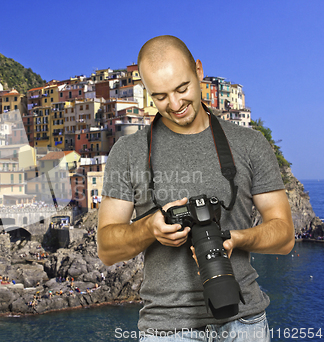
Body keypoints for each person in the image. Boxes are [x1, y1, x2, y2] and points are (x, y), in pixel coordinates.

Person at [97, 35, 294, 341]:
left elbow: (284, 236)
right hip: (166, 329)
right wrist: (150, 228)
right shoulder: (128, 152)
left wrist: (235, 238)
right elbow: (107, 249)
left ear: (199, 71)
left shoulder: (250, 144)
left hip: (245, 323)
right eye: (160, 96)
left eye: (182, 88)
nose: (174, 104)